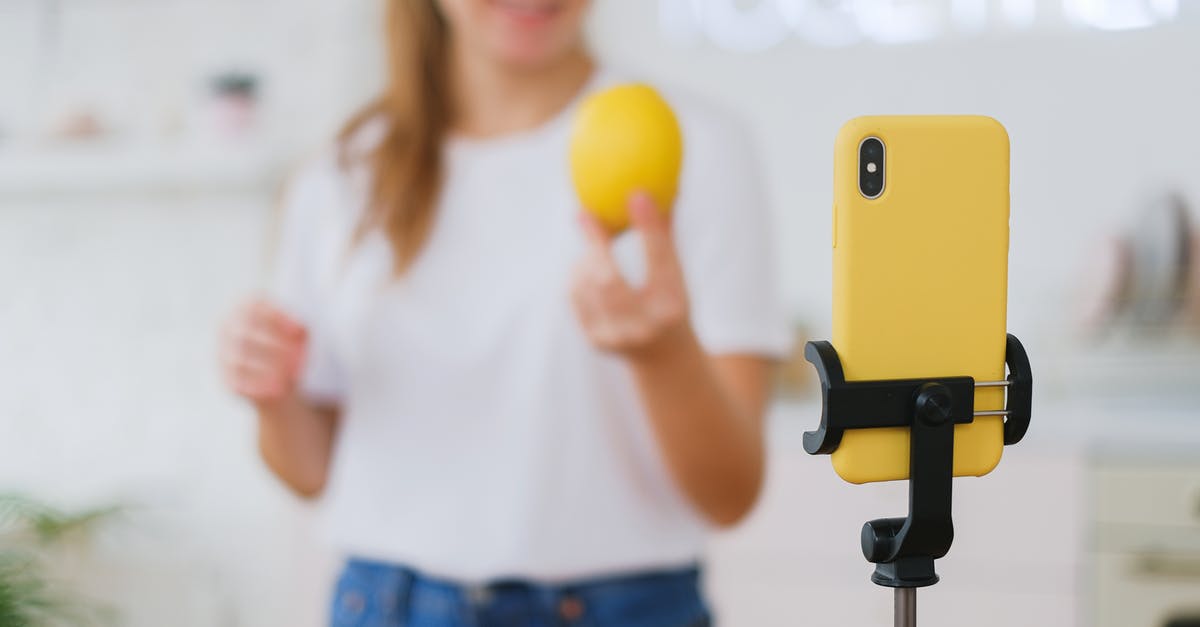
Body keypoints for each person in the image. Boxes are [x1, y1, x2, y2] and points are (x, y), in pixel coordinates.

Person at [219, 0, 790, 625]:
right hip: (388, 603)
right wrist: (272, 392)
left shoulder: (699, 145)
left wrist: (660, 353)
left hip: (625, 607)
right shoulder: (345, 170)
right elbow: (310, 471)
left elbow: (730, 494)